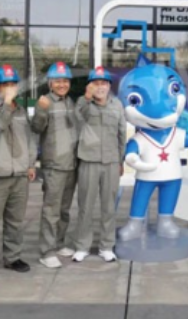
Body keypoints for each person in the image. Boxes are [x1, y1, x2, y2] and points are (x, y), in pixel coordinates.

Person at [0, 65, 36, 279]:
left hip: (19, 175)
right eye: (6, 85)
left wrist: (31, 164)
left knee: (15, 220)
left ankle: (13, 257)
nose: (10, 88)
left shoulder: (21, 111)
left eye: (13, 84)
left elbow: (29, 139)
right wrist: (6, 104)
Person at [72, 66, 126, 263]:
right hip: (89, 160)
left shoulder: (117, 105)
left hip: (111, 161)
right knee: (85, 205)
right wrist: (87, 98)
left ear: (109, 86)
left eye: (104, 83)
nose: (100, 87)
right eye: (96, 83)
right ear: (90, 85)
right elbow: (78, 120)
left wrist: (120, 160)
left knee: (108, 206)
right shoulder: (82, 103)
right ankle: (82, 246)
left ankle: (106, 246)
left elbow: (122, 134)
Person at [32, 62, 81, 269]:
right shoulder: (44, 102)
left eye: (65, 81)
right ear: (50, 83)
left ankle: (59, 243)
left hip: (71, 164)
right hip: (54, 165)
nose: (62, 85)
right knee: (51, 210)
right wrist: (42, 111)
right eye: (58, 81)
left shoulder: (70, 101)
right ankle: (47, 251)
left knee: (64, 209)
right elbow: (36, 128)